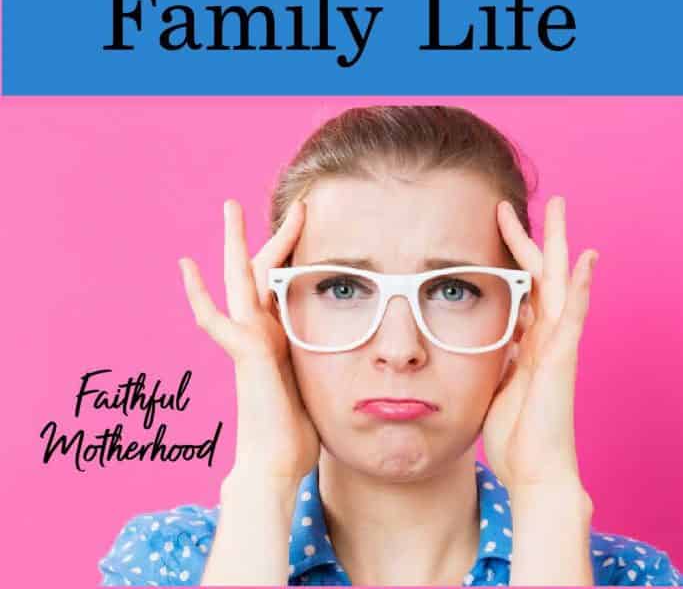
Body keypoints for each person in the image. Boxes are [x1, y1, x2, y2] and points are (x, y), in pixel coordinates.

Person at [99, 105, 682, 587]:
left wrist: (546, 495)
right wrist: (262, 484)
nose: (399, 349)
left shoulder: (629, 578)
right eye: (343, 287)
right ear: (274, 316)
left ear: (522, 323)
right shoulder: (172, 566)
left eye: (453, 290)